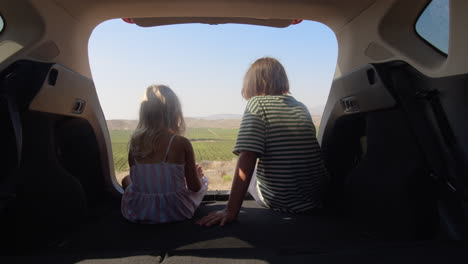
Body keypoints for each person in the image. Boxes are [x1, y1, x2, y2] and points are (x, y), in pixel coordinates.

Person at [197, 57, 328, 226]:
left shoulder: (257, 104)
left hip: (284, 201)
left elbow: (247, 158)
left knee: (252, 173)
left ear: (252, 83)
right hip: (316, 196)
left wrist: (231, 210)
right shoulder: (300, 106)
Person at [121, 85, 208, 224]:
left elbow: (139, 181)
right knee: (203, 181)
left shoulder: (134, 143)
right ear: (175, 113)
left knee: (127, 179)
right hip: (176, 210)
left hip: (139, 211)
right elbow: (194, 187)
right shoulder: (181, 143)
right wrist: (198, 176)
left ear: (144, 113)